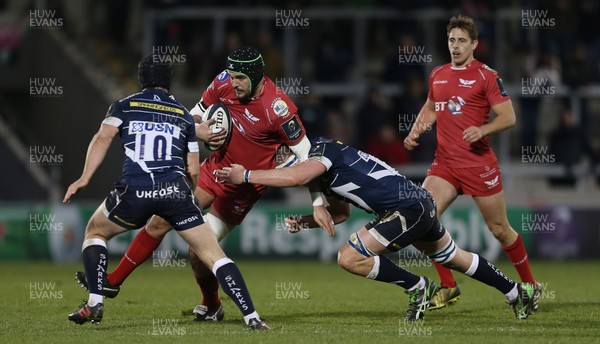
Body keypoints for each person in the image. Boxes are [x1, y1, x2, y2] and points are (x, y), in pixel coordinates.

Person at [74, 47, 322, 322]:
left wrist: (319, 203)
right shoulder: (223, 82)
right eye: (231, 76)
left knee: (197, 252)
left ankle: (212, 304)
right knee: (158, 222)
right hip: (214, 168)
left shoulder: (279, 107)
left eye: (240, 78)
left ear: (254, 76)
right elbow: (193, 115)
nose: (233, 83)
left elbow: (309, 158)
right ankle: (113, 281)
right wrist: (199, 130)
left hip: (242, 186)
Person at [215, 137, 537, 320]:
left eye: (286, 163)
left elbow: (295, 177)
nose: (289, 170)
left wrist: (245, 176)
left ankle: (417, 287)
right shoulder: (323, 170)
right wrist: (305, 221)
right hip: (416, 202)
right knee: (455, 257)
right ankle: (515, 293)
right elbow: (339, 214)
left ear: (295, 155)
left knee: (349, 257)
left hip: (405, 207)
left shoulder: (322, 152)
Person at [403, 15, 541, 310]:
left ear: (474, 44)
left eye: (462, 41)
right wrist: (416, 130)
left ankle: (529, 285)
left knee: (500, 229)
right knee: (419, 218)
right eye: (452, 40)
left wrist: (483, 129)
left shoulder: (486, 76)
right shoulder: (437, 74)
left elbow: (509, 117)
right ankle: (449, 286)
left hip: (478, 165)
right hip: (445, 165)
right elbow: (431, 107)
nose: (455, 46)